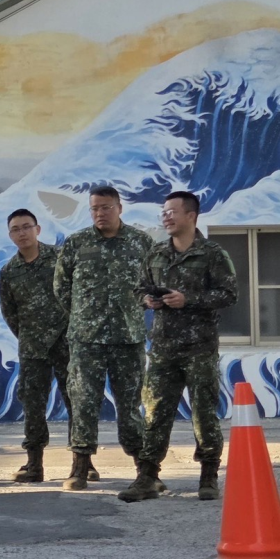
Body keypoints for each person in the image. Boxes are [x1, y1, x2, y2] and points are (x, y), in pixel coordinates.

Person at [119, 191, 237, 503]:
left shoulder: (212, 254)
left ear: (191, 216)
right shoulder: (156, 253)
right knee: (155, 413)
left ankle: (209, 474)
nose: (166, 217)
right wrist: (148, 300)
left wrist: (189, 300)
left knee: (203, 413)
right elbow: (138, 289)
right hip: (163, 349)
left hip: (199, 348)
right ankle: (147, 477)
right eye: (164, 212)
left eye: (172, 211)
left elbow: (229, 294)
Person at [54, 185, 153, 491]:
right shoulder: (77, 243)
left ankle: (144, 469)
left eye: (106, 207)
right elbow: (61, 287)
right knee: (83, 403)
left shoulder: (141, 242)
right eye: (95, 208)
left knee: (130, 405)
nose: (100, 213)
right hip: (87, 341)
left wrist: (132, 310)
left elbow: (153, 283)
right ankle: (80, 467)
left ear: (119, 208)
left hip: (128, 338)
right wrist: (85, 316)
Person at [0, 208, 73, 483]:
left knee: (76, 401)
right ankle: (34, 463)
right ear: (10, 235)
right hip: (32, 348)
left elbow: (76, 295)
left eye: (26, 227)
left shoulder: (60, 258)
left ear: (38, 229)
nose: (22, 233)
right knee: (32, 404)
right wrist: (29, 336)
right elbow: (10, 312)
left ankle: (83, 462)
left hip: (66, 342)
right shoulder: (9, 271)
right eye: (16, 229)